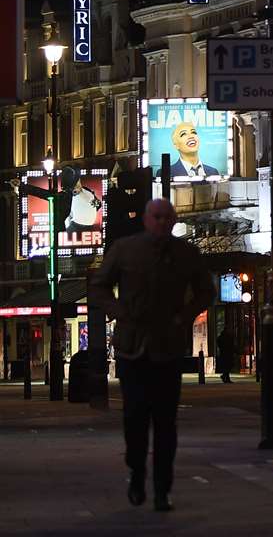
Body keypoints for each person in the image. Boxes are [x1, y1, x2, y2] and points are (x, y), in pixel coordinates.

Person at [88, 198, 212, 513]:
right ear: (146, 219)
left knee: (166, 423)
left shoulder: (186, 253)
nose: (161, 223)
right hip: (133, 347)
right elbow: (99, 287)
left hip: (167, 348)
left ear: (172, 221)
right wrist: (119, 313)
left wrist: (184, 316)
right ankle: (136, 473)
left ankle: (162, 490)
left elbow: (205, 291)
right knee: (135, 418)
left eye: (166, 218)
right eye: (156, 217)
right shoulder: (125, 249)